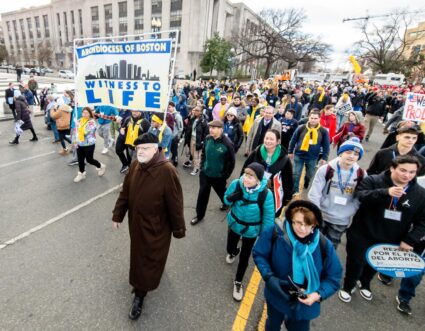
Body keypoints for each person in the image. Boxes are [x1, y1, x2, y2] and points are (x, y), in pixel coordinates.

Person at [112, 133, 186, 320]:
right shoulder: (136, 165)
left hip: (156, 228)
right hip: (136, 224)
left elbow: (175, 204)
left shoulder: (167, 171)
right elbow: (125, 192)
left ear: (156, 149)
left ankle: (139, 295)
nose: (141, 151)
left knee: (148, 259)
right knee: (141, 255)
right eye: (138, 149)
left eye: (145, 148)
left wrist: (178, 229)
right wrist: (118, 214)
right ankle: (144, 280)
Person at [339, 155, 425, 303]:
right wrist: (385, 192)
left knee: (376, 263)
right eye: (403, 170)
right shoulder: (374, 180)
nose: (407, 175)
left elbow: (423, 221)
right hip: (362, 232)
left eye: (412, 172)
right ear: (392, 168)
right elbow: (360, 195)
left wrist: (410, 240)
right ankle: (348, 285)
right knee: (356, 261)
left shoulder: (420, 193)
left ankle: (365, 283)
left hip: (391, 237)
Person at [253, 200, 342, 331]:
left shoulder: (324, 245)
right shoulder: (275, 232)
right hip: (278, 294)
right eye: (298, 223)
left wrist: (317, 294)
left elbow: (334, 277)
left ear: (315, 225)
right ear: (291, 219)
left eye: (308, 224)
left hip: (305, 302)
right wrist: (269, 277)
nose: (302, 229)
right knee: (272, 324)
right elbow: (259, 254)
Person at [224, 162, 275, 301]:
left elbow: (269, 218)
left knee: (245, 257)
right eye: (246, 174)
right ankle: (234, 251)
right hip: (234, 224)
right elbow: (226, 199)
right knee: (230, 248)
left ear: (258, 179)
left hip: (251, 231)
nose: (246, 178)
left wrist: (264, 237)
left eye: (250, 177)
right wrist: (231, 197)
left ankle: (238, 282)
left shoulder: (266, 194)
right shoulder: (237, 183)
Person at [308, 138, 365, 249]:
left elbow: (360, 198)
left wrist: (349, 211)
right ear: (340, 153)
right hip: (322, 215)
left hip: (341, 219)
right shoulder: (326, 170)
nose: (351, 156)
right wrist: (316, 212)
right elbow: (314, 193)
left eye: (356, 154)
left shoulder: (361, 174)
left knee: (331, 248)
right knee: (313, 244)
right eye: (348, 152)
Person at [191, 120, 235, 225]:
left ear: (221, 129)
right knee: (202, 195)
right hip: (205, 174)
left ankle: (226, 203)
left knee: (222, 192)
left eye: (214, 128)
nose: (211, 130)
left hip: (219, 176)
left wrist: (225, 175)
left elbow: (231, 162)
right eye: (210, 127)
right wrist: (202, 167)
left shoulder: (227, 143)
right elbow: (204, 155)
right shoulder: (207, 139)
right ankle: (199, 215)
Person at [243, 129, 293, 217]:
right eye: (266, 138)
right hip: (254, 190)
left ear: (278, 141)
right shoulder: (256, 153)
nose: (268, 141)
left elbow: (287, 180)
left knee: (267, 216)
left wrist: (287, 198)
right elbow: (245, 169)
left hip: (272, 194)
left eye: (271, 139)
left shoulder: (284, 159)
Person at [289, 110, 330, 194]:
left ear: (319, 119)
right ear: (308, 118)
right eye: (311, 118)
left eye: (315, 118)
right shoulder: (301, 128)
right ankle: (294, 190)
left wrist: (324, 157)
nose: (313, 120)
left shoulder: (323, 131)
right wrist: (290, 151)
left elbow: (326, 145)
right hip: (299, 155)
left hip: (313, 157)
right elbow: (293, 140)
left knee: (309, 175)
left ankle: (306, 182)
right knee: (296, 174)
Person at [73, 107, 106, 183]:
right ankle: (81, 173)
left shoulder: (92, 122)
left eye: (86, 113)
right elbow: (75, 132)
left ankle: (101, 166)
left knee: (89, 160)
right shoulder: (79, 120)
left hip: (89, 144)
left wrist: (79, 126)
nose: (84, 114)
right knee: (80, 160)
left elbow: (87, 133)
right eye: (83, 113)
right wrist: (75, 142)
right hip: (79, 144)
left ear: (90, 114)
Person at [183, 106, 208, 175]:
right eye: (194, 110)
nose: (195, 111)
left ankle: (196, 168)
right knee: (192, 153)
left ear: (201, 112)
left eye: (197, 110)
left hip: (198, 140)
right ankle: (193, 164)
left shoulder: (203, 121)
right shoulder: (193, 118)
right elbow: (189, 128)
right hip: (192, 138)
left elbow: (206, 133)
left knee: (197, 155)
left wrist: (202, 142)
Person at [168, 102, 184, 166]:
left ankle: (175, 160)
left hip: (174, 135)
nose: (168, 108)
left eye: (170, 107)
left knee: (174, 149)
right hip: (169, 135)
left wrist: (178, 136)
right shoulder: (167, 114)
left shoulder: (177, 116)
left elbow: (180, 127)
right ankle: (173, 157)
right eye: (168, 107)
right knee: (171, 148)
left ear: (173, 107)